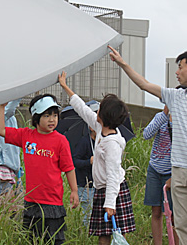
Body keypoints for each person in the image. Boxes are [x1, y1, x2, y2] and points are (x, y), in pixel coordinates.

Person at [108, 46, 187, 245]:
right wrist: (122, 63)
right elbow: (144, 85)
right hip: (178, 172)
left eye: (180, 67)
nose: (177, 72)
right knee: (183, 225)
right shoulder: (175, 97)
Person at [58, 71, 136, 245]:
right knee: (104, 236)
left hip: (113, 192)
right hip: (102, 190)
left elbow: (114, 176)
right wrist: (65, 87)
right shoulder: (100, 127)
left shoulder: (112, 144)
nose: (96, 110)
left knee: (117, 235)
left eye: (100, 108)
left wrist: (110, 204)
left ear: (105, 115)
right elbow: (83, 110)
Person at [0, 94, 79, 245]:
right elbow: (0, 130)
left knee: (53, 240)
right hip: (32, 201)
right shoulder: (26, 136)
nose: (52, 119)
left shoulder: (61, 140)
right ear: (36, 118)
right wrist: (2, 107)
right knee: (32, 240)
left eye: (54, 115)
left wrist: (74, 190)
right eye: (47, 116)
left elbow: (69, 168)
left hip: (53, 201)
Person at [143, 105, 179, 245]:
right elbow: (146, 134)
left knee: (173, 214)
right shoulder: (160, 117)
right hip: (154, 169)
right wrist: (164, 114)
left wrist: (175, 175)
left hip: (171, 172)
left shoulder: (182, 121)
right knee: (156, 210)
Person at [73, 126, 96, 226]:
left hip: (97, 183)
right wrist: (89, 161)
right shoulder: (84, 142)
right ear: (91, 127)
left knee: (95, 212)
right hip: (85, 183)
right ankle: (85, 234)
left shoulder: (102, 142)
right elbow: (75, 161)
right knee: (87, 214)